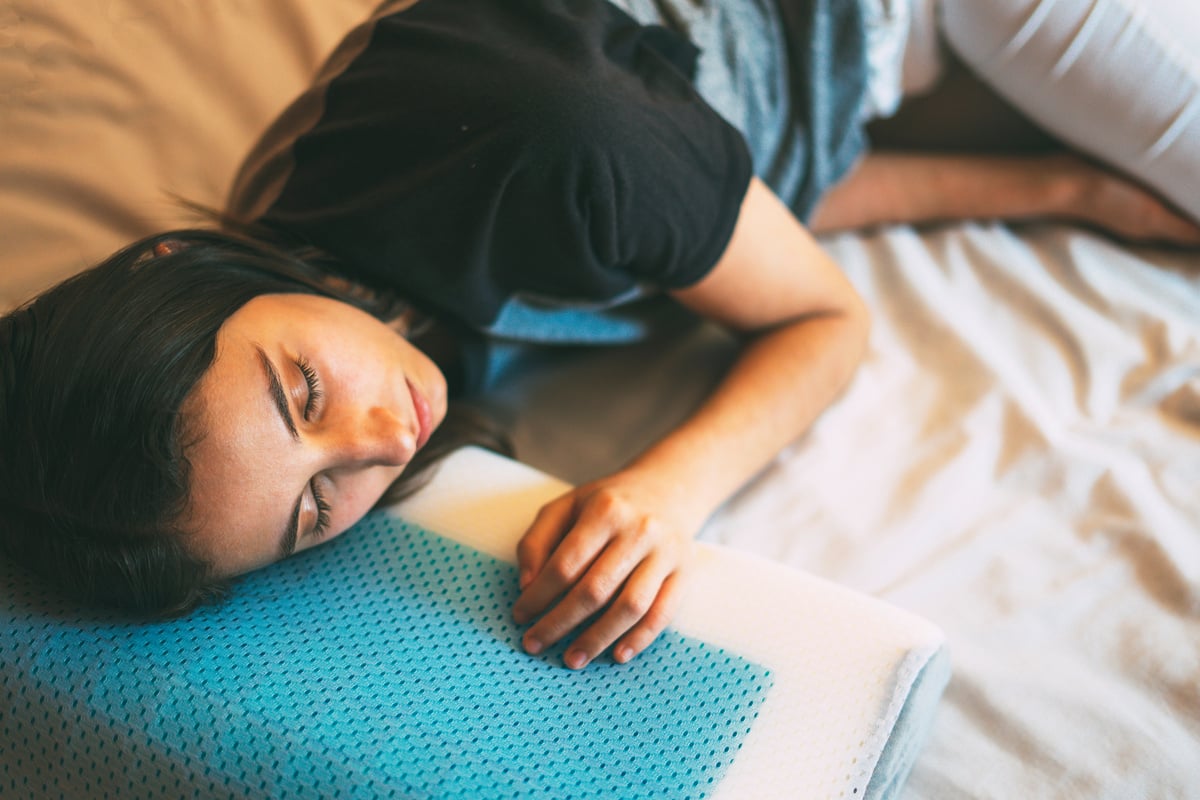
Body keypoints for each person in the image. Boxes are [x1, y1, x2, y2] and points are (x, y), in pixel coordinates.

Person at [0, 0, 1196, 672]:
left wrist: (669, 489)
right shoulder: (292, 285)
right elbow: (736, 207)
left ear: (174, 266)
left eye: (304, 391)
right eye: (316, 508)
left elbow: (821, 312)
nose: (377, 444)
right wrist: (1058, 190)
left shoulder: (556, 145)